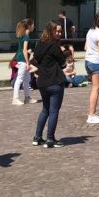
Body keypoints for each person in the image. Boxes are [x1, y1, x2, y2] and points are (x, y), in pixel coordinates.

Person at [32, 20, 69, 148]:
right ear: (50, 31)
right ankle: (50, 139)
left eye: (60, 31)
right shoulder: (54, 46)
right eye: (57, 31)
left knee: (45, 110)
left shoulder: (40, 44)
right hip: (55, 81)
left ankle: (37, 137)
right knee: (53, 111)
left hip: (42, 82)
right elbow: (63, 62)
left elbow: (35, 60)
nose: (59, 33)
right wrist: (64, 52)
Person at [12, 18, 34, 105]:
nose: (34, 26)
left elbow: (23, 49)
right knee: (20, 79)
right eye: (33, 25)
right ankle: (15, 98)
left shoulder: (23, 35)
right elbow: (24, 50)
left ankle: (27, 98)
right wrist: (28, 62)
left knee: (26, 79)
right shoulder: (26, 36)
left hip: (22, 59)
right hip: (22, 60)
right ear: (29, 26)